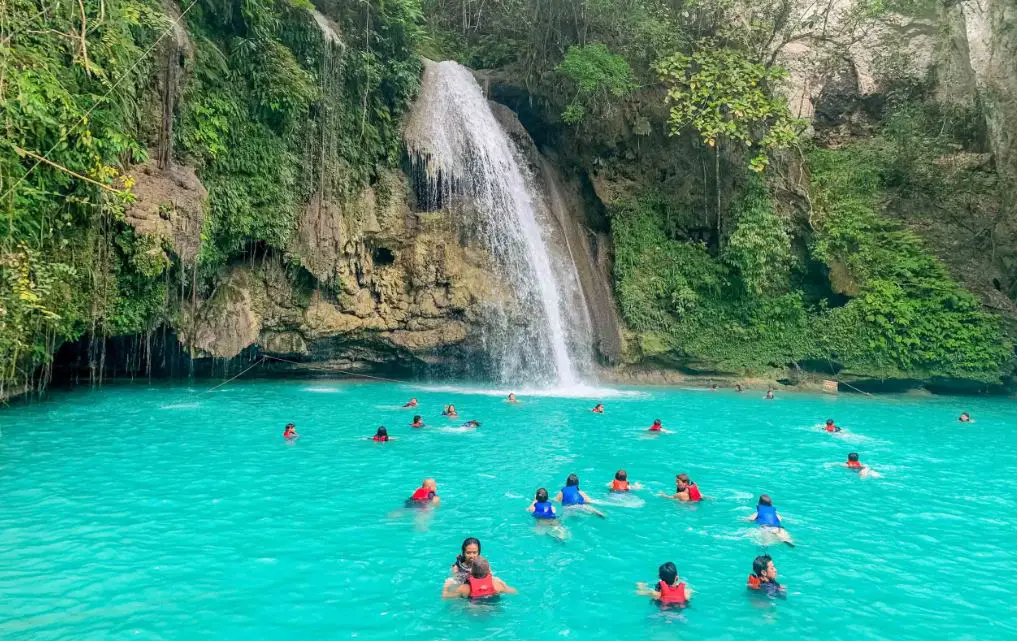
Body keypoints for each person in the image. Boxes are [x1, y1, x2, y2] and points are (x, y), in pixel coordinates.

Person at [443, 557, 516, 599]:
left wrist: (446, 586)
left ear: (471, 572)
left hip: (474, 612)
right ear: (488, 571)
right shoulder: (497, 584)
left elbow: (446, 597)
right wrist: (504, 584)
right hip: (493, 609)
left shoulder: (465, 588)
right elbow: (513, 591)